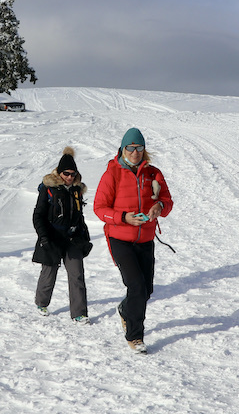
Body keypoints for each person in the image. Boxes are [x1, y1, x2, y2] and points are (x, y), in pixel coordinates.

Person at [93, 128, 173, 354]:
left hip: (145, 238)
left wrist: (160, 207)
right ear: (123, 149)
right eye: (131, 148)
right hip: (120, 239)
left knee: (145, 290)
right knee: (136, 286)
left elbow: (167, 200)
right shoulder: (113, 174)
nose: (135, 152)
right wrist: (123, 218)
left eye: (139, 148)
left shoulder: (153, 173)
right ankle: (135, 336)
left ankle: (124, 310)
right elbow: (99, 208)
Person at [32, 147, 93, 322]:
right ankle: (41, 302)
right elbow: (38, 215)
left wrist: (84, 236)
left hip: (72, 239)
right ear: (59, 173)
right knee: (49, 272)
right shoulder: (48, 189)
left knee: (77, 273)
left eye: (73, 174)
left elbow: (79, 216)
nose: (70, 177)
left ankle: (79, 313)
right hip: (52, 237)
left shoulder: (76, 190)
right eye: (66, 173)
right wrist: (44, 237)